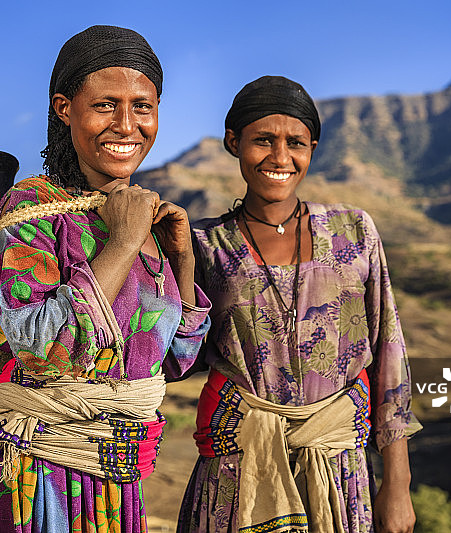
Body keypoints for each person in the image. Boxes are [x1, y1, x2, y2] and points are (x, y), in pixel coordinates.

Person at [0, 25, 211, 533]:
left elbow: (178, 362)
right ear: (64, 107)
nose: (126, 124)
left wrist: (181, 259)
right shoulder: (32, 208)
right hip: (35, 477)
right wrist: (122, 243)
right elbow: (42, 347)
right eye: (105, 105)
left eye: (143, 106)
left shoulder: (146, 217)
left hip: (115, 483)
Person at [176, 76, 421, 533]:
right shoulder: (203, 242)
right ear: (233, 142)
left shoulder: (353, 231)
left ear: (313, 147)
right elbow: (177, 360)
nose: (280, 157)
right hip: (239, 473)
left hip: (339, 470)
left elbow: (390, 356)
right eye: (262, 141)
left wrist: (398, 483)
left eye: (296, 143)